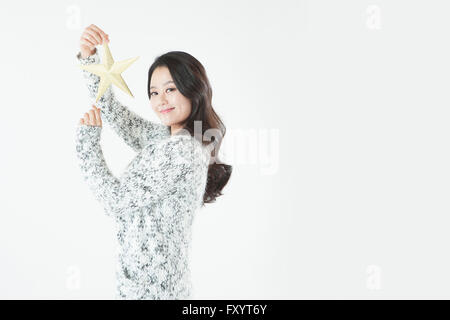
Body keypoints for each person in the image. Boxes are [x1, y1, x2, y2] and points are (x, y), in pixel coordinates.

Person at [74, 24, 232, 299]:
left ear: (192, 90)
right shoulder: (170, 139)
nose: (161, 101)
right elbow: (115, 114)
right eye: (154, 92)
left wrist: (86, 146)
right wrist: (90, 58)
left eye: (170, 89)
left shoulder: (183, 151)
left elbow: (116, 201)